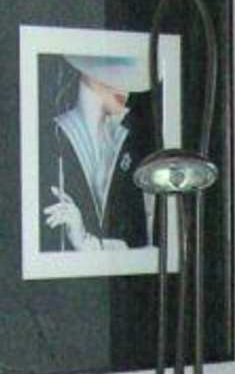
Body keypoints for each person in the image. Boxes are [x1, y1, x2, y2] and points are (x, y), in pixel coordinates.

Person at [39, 53, 153, 254]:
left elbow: (142, 242)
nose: (126, 89)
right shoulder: (49, 138)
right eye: (118, 73)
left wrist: (88, 242)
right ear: (89, 71)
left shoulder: (130, 144)